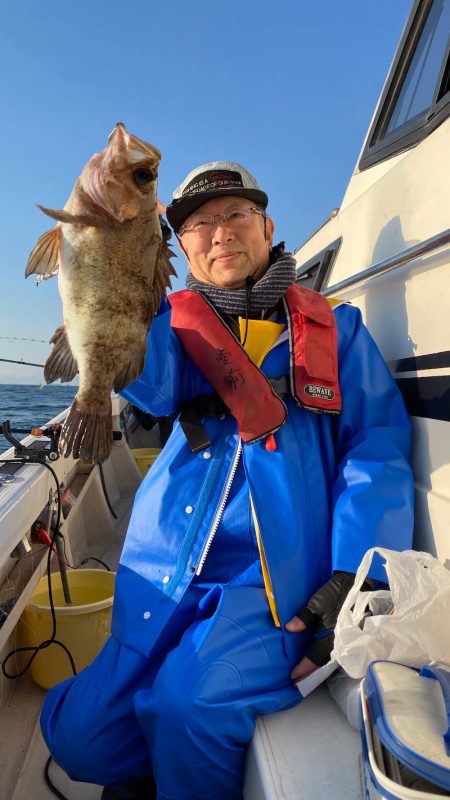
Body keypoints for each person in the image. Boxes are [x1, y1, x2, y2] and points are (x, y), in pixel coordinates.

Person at [41, 161, 414, 800]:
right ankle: (151, 763)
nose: (220, 233)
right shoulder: (170, 327)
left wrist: (355, 575)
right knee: (79, 735)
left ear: (268, 227)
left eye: (236, 215)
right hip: (168, 563)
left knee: (190, 708)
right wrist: (121, 264)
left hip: (269, 580)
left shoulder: (338, 330)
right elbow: (151, 384)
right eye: (200, 225)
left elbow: (374, 452)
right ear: (179, 248)